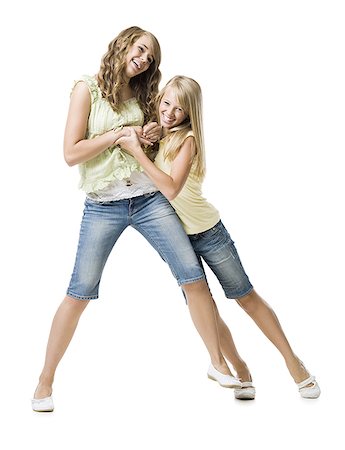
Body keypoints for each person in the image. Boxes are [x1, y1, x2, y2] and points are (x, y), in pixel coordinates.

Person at [32, 28, 240, 413]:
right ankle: (44, 381)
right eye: (141, 49)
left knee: (192, 277)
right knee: (79, 292)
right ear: (124, 44)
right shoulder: (87, 89)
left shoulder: (145, 95)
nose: (144, 59)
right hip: (103, 204)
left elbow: (158, 137)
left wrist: (153, 132)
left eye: (151, 57)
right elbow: (70, 153)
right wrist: (119, 135)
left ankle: (218, 362)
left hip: (147, 198)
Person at [115, 75, 321, 400]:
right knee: (206, 307)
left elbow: (170, 188)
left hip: (208, 232)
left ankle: (294, 364)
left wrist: (137, 151)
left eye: (179, 109)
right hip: (174, 237)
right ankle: (241, 370)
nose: (170, 112)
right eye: (166, 103)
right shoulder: (156, 131)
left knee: (245, 297)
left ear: (189, 113)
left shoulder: (188, 139)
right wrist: (143, 138)